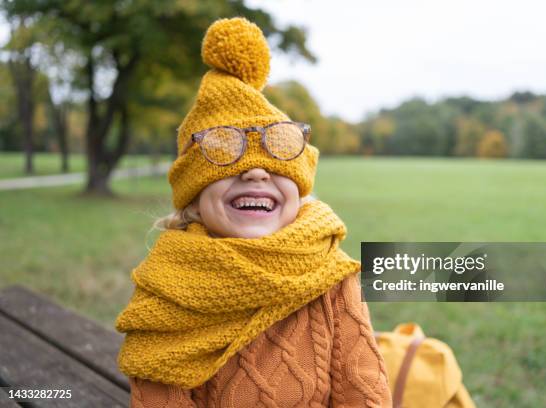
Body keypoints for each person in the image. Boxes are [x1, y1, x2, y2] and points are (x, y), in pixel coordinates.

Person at [115, 16, 392, 407]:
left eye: (275, 162)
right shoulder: (166, 287)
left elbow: (364, 394)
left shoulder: (331, 275)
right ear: (193, 197)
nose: (257, 171)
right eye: (228, 156)